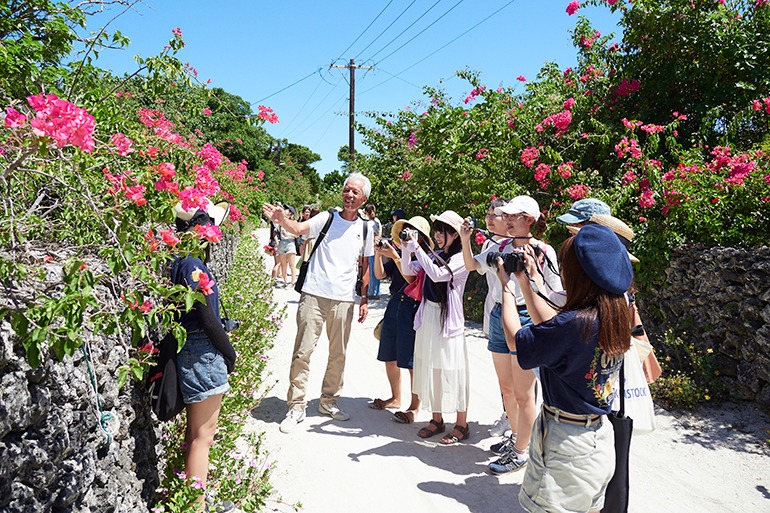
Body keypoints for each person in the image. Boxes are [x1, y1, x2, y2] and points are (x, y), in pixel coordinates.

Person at [497, 224, 632, 513]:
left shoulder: (573, 325)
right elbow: (550, 326)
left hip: (565, 441)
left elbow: (515, 339)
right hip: (598, 438)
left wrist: (506, 287)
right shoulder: (616, 311)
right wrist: (526, 280)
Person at [262, 173, 374, 433]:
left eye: (355, 192)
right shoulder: (327, 218)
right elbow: (299, 230)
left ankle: (329, 400)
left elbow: (365, 265)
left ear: (364, 198)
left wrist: (365, 298)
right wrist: (282, 220)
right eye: (347, 190)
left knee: (339, 353)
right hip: (314, 293)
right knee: (303, 351)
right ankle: (296, 405)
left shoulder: (366, 228)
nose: (349, 195)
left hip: (344, 299)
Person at [463, 195, 562, 474]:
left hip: (526, 317)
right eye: (504, 215)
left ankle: (521, 452)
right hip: (499, 314)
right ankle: (517, 439)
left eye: (512, 215)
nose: (505, 218)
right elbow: (472, 265)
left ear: (529, 220)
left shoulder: (543, 250)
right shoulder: (499, 245)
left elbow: (554, 293)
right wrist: (466, 237)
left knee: (523, 393)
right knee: (506, 388)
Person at [171, 199, 236, 512]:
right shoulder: (193, 265)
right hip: (202, 351)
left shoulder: (181, 260)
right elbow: (206, 317)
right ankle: (196, 506)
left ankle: (195, 497)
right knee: (203, 436)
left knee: (196, 433)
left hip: (192, 349)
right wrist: (229, 353)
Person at [402, 210, 471, 445]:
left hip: (449, 321)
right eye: (437, 231)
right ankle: (437, 419)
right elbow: (408, 270)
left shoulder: (462, 258)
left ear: (455, 234)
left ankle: (462, 424)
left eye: (442, 231)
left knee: (453, 370)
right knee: (433, 369)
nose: (438, 235)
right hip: (429, 314)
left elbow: (438, 275)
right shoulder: (437, 254)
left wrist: (417, 249)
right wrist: (405, 249)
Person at [460, 197, 518, 439]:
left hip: (519, 313)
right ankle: (510, 417)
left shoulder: (525, 247)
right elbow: (472, 265)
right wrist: (465, 239)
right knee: (505, 377)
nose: (488, 219)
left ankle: (521, 429)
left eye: (493, 214)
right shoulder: (491, 247)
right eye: (488, 214)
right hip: (495, 310)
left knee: (523, 376)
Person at [369, 216, 433, 423]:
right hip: (395, 303)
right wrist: (378, 254)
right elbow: (378, 276)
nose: (408, 236)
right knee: (389, 357)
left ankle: (414, 407)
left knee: (411, 362)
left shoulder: (426, 257)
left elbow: (412, 279)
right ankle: (396, 398)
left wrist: (396, 255)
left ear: (421, 237)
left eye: (413, 232)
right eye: (406, 232)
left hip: (413, 307)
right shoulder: (399, 254)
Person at [276, 205, 299, 287]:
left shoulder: (294, 223)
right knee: (283, 264)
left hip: (290, 243)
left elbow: (297, 235)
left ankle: (292, 282)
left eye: (286, 209)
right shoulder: (280, 222)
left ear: (290, 213)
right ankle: (285, 281)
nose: (284, 210)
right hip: (282, 242)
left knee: (292, 265)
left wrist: (288, 234)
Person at [365, 204, 382, 299]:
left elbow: (373, 235)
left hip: (372, 247)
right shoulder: (377, 221)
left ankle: (373, 292)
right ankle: (375, 291)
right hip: (378, 247)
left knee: (372, 270)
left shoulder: (371, 223)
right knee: (376, 269)